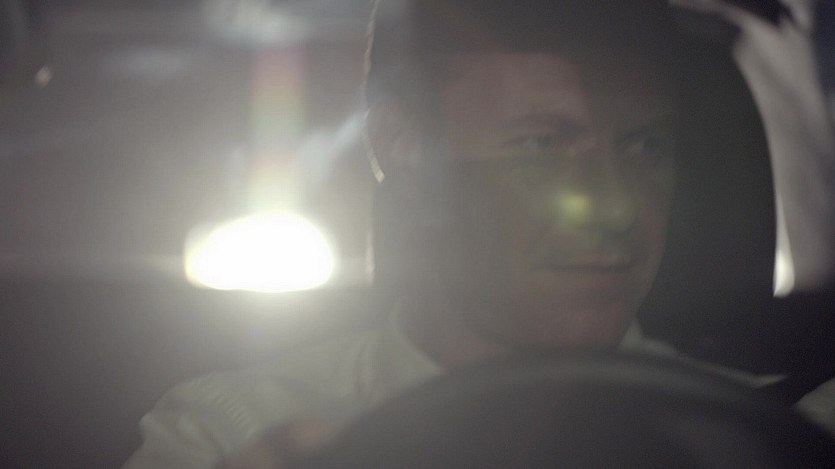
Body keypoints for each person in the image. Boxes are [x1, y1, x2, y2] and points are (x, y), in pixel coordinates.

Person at [123, 1, 834, 468]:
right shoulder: (235, 430)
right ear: (403, 148)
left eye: (645, 147)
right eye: (540, 146)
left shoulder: (786, 433)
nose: (615, 207)